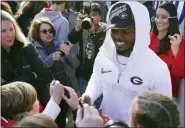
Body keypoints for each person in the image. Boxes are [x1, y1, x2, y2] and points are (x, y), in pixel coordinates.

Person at [80, 1, 172, 124]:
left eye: (125, 30)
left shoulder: (158, 68)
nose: (118, 36)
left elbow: (164, 116)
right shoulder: (104, 56)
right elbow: (97, 79)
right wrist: (89, 96)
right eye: (114, 30)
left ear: (140, 30)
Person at [28, 17, 79, 128]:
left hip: (63, 90)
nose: (48, 34)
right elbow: (39, 70)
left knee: (61, 120)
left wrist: (69, 54)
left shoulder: (59, 45)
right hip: (45, 94)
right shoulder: (33, 48)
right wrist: (51, 59)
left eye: (51, 30)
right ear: (37, 32)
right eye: (44, 31)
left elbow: (75, 65)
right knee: (49, 122)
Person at [1, 10, 50, 103]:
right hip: (8, 108)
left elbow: (44, 74)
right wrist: (29, 76)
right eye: (3, 31)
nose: (10, 34)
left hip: (33, 101)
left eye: (12, 29)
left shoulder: (27, 47)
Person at [68, 3, 107, 96]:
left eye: (94, 15)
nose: (91, 18)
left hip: (100, 77)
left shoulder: (105, 30)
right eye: (88, 15)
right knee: (85, 102)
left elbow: (104, 49)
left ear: (100, 16)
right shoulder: (83, 27)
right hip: (84, 75)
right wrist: (77, 28)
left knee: (98, 105)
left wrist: (93, 33)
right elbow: (72, 39)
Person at [149, 2, 185, 98]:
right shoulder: (149, 37)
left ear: (172, 20)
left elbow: (180, 73)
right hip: (144, 88)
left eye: (164, 17)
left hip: (164, 95)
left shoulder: (178, 41)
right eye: (157, 16)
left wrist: (175, 49)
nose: (159, 20)